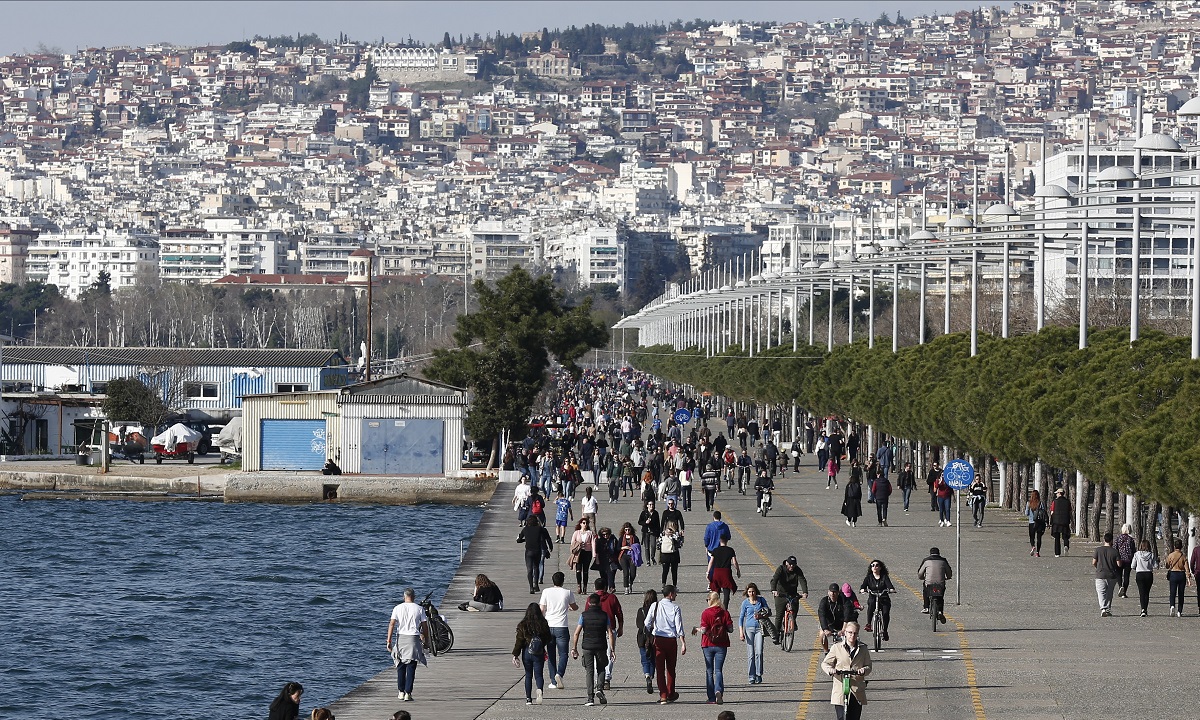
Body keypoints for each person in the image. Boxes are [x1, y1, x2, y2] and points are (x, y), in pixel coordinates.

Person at [821, 621, 873, 720]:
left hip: (856, 689)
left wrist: (863, 670)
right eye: (850, 632)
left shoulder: (863, 649)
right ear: (845, 632)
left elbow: (869, 666)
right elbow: (825, 663)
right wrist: (831, 670)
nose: (852, 635)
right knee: (841, 717)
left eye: (855, 633)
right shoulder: (837, 647)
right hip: (841, 687)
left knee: (854, 717)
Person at [645, 583, 686, 704]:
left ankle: (663, 695)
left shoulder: (655, 605)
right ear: (671, 594)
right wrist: (683, 642)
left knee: (660, 668)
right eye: (675, 593)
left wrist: (651, 632)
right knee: (671, 668)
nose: (676, 595)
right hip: (671, 641)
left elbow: (647, 623)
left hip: (658, 639)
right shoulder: (675, 608)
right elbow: (679, 627)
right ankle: (670, 692)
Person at [572, 593, 615, 707]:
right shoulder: (604, 615)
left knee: (589, 671)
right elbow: (610, 633)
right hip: (601, 646)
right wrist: (612, 649)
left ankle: (590, 698)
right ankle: (600, 688)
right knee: (601, 668)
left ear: (589, 603)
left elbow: (576, 633)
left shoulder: (584, 615)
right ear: (599, 603)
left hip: (587, 646)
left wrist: (574, 648)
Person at [386, 588, 428, 702]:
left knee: (400, 665)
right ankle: (408, 693)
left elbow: (392, 624)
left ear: (404, 597)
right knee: (411, 666)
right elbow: (424, 626)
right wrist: (426, 638)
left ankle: (401, 692)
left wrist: (388, 641)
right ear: (414, 597)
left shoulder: (397, 608)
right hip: (413, 639)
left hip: (401, 638)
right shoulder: (419, 609)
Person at [539, 571, 578, 689]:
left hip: (549, 626)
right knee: (563, 654)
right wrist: (569, 607)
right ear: (563, 581)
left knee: (551, 655)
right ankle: (559, 674)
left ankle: (553, 682)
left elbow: (542, 609)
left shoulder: (546, 591)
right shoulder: (567, 592)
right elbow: (574, 607)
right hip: (562, 626)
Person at [693, 590, 732, 705]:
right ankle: (718, 691)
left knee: (709, 671)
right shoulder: (725, 612)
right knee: (719, 670)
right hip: (722, 644)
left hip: (708, 644)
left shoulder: (706, 613)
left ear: (711, 600)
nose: (707, 601)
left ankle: (711, 698)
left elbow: (704, 630)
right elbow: (730, 629)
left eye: (708, 599)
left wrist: (696, 629)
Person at [512, 602, 554, 705]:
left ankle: (528, 699)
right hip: (539, 652)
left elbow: (519, 641)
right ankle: (539, 689)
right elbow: (549, 638)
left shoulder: (523, 624)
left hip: (527, 651)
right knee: (539, 675)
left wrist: (515, 654)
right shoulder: (543, 623)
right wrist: (541, 644)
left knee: (528, 675)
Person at [592, 576, 624, 690]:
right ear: (605, 587)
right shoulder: (612, 598)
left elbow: (586, 613)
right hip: (611, 628)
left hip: (595, 629)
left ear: (595, 587)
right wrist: (621, 627)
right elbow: (619, 613)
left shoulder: (591, 599)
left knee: (596, 654)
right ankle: (606, 678)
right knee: (610, 653)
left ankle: (597, 678)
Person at [768, 555, 808, 644]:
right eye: (790, 564)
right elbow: (775, 579)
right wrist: (774, 590)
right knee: (779, 614)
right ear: (786, 563)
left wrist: (805, 592)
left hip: (792, 593)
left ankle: (793, 621)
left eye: (794, 564)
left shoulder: (797, 570)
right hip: (780, 593)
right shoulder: (781, 569)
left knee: (795, 607)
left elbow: (802, 580)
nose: (792, 566)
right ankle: (776, 634)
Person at [737, 583, 770, 684]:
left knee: (759, 652)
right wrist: (741, 632)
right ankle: (751, 675)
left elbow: (768, 612)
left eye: (753, 591)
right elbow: (741, 618)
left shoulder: (761, 600)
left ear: (756, 591)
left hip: (760, 628)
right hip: (749, 629)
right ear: (747, 592)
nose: (751, 593)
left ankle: (758, 674)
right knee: (751, 653)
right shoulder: (745, 603)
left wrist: (761, 615)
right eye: (749, 592)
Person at [859, 560, 896, 641]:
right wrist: (862, 590)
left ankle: (885, 630)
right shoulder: (868, 578)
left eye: (877, 565)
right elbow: (863, 586)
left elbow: (890, 585)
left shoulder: (884, 577)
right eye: (873, 565)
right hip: (873, 597)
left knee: (885, 613)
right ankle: (869, 624)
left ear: (880, 567)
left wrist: (891, 589)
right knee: (871, 606)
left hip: (884, 598)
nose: (875, 567)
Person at [518, 516, 554, 594]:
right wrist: (550, 547)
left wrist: (525, 540)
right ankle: (536, 585)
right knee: (536, 567)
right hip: (537, 551)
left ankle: (531, 587)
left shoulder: (525, 529)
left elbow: (519, 540)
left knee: (529, 569)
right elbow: (547, 538)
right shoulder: (540, 529)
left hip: (528, 552)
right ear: (536, 522)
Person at [634, 589, 659, 694]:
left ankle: (647, 675)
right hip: (653, 637)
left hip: (642, 637)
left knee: (644, 659)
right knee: (653, 659)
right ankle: (651, 676)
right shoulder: (657, 610)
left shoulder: (641, 610)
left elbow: (638, 624)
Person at [917, 547, 952, 621]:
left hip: (929, 582)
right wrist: (948, 577)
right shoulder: (943, 560)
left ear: (930, 553)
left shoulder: (926, 560)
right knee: (941, 596)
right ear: (939, 553)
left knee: (926, 591)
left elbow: (920, 573)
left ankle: (926, 607)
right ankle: (940, 611)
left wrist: (922, 578)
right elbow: (949, 572)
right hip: (940, 583)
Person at [707, 535, 741, 609]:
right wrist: (738, 570)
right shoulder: (730, 550)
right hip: (726, 572)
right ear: (727, 541)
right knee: (726, 593)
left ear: (720, 540)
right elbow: (734, 562)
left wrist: (708, 572)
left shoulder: (715, 550)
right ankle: (725, 609)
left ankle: (716, 607)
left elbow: (711, 562)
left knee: (716, 592)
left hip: (717, 572)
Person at [1092, 532, 1120, 617]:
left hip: (1100, 574)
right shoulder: (1115, 551)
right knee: (1109, 593)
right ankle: (1107, 608)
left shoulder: (1098, 550)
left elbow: (1094, 562)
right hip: (1111, 575)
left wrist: (1097, 567)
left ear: (1104, 540)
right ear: (1112, 541)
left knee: (1101, 592)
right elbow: (1119, 564)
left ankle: (1103, 608)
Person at [1163, 538, 1193, 617]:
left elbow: (1167, 566)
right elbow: (1187, 568)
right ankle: (1179, 611)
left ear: (1174, 546)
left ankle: (1172, 606)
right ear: (1181, 547)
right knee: (1181, 593)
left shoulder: (1171, 555)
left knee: (1172, 592)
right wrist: (1189, 579)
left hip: (1173, 574)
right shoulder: (1183, 556)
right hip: (1181, 574)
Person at [817, 583, 849, 652]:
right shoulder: (824, 601)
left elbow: (847, 614)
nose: (833, 594)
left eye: (835, 592)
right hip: (829, 624)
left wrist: (843, 629)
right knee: (822, 635)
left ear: (838, 593)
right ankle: (826, 651)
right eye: (831, 592)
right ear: (828, 592)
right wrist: (825, 629)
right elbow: (822, 616)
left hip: (842, 624)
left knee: (850, 634)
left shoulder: (844, 600)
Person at [569, 517, 596, 593]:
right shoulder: (576, 532)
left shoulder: (590, 533)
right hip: (579, 553)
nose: (585, 524)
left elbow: (593, 543)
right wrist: (577, 544)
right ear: (580, 524)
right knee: (578, 570)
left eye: (586, 523)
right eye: (583, 523)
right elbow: (572, 542)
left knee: (585, 571)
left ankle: (585, 587)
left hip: (587, 553)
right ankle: (579, 586)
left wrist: (594, 554)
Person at [1131, 539, 1156, 617]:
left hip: (1140, 574)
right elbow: (1155, 566)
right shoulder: (1151, 555)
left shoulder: (1137, 554)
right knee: (1147, 593)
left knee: (1141, 592)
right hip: (1148, 574)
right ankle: (1145, 608)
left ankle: (1142, 609)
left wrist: (1137, 567)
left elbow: (1132, 566)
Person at [617, 524, 643, 595]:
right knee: (626, 572)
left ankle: (630, 583)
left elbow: (638, 546)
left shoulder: (635, 537)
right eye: (626, 530)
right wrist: (624, 547)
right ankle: (626, 588)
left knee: (633, 573)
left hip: (632, 556)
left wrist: (633, 547)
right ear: (624, 530)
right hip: (623, 556)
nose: (627, 531)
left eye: (629, 529)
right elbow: (618, 548)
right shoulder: (622, 538)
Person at [595, 526, 619, 593]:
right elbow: (597, 551)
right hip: (602, 560)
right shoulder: (599, 541)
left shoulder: (613, 540)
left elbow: (617, 549)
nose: (605, 536)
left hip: (612, 559)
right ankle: (604, 588)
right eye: (603, 534)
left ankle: (611, 587)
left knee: (611, 573)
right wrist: (597, 559)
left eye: (607, 534)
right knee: (603, 575)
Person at [1114, 524, 1136, 598]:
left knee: (1119, 574)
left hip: (1119, 559)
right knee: (1126, 576)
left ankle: (1120, 586)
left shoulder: (1118, 538)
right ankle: (1124, 592)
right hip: (1128, 560)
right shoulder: (1131, 539)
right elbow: (1133, 550)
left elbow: (1115, 548)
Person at [659, 520, 683, 588]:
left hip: (667, 554)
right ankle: (671, 585)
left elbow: (658, 545)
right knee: (671, 571)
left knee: (667, 571)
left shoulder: (663, 534)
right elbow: (679, 544)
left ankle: (666, 585)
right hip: (671, 554)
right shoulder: (674, 534)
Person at [1049, 488, 1072, 557]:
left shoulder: (1055, 501)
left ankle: (1057, 553)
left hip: (1056, 521)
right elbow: (1070, 511)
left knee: (1057, 538)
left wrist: (1051, 521)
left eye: (1057, 493)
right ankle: (1066, 545)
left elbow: (1052, 511)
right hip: (1065, 521)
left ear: (1059, 493)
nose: (1056, 494)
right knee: (1065, 535)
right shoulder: (1067, 502)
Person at [638, 500, 661, 566]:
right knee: (646, 547)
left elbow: (658, 524)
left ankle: (652, 557)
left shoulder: (655, 513)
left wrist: (658, 533)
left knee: (653, 546)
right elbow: (639, 522)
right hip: (645, 532)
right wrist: (645, 522)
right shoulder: (644, 513)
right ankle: (648, 561)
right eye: (650, 504)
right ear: (647, 505)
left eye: (652, 504)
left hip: (653, 532)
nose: (651, 506)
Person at [1024, 490, 1047, 557]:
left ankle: (1033, 546)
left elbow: (1026, 513)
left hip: (1031, 522)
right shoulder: (1041, 503)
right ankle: (1037, 552)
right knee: (1039, 538)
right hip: (1039, 522)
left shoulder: (1029, 503)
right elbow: (1044, 512)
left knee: (1032, 537)